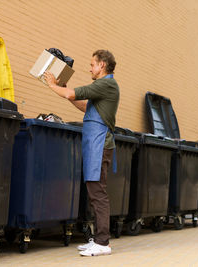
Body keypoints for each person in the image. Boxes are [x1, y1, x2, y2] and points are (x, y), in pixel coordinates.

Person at [43, 50, 119, 257]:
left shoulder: (106, 84)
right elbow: (85, 106)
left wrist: (53, 85)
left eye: (92, 64)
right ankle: (99, 239)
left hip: (100, 145)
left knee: (98, 193)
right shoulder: (103, 88)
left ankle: (103, 243)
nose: (90, 68)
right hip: (95, 145)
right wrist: (65, 89)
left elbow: (71, 94)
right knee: (95, 192)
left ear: (102, 65)